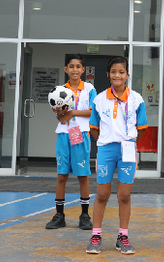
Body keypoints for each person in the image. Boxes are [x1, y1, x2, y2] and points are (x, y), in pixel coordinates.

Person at [86, 56, 148, 254]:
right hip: (106, 149)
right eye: (113, 71)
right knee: (102, 194)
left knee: (124, 195)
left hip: (128, 150)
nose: (117, 75)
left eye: (121, 71)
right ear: (107, 74)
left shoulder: (137, 99)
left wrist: (129, 141)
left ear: (127, 74)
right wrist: (106, 140)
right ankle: (96, 236)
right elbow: (94, 129)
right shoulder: (99, 99)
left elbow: (142, 128)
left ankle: (123, 236)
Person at [46, 54, 95, 231]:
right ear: (66, 69)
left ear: (83, 70)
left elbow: (93, 112)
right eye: (71, 66)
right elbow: (60, 117)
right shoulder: (60, 90)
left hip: (80, 133)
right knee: (62, 175)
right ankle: (59, 215)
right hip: (63, 134)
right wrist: (59, 113)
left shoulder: (89, 89)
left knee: (83, 175)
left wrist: (73, 113)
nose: (75, 70)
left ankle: (84, 215)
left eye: (78, 66)